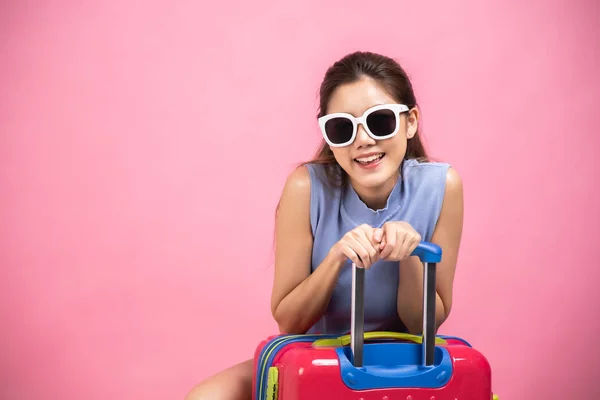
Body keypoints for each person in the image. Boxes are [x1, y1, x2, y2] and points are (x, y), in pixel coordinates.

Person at [185, 50, 464, 400]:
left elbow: (426, 325)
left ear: (410, 122)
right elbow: (289, 322)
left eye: (380, 122)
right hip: (316, 358)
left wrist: (409, 254)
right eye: (342, 128)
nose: (362, 141)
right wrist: (336, 258)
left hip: (399, 366)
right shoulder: (306, 186)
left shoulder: (442, 187)